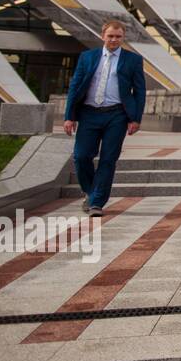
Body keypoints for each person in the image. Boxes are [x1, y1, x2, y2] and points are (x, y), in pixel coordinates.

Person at [63, 19, 145, 216]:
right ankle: (91, 192)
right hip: (89, 113)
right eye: (110, 36)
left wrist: (136, 119)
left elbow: (139, 91)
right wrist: (69, 116)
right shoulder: (87, 57)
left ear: (123, 38)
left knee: (108, 159)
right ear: (102, 36)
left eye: (118, 37)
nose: (114, 40)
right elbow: (75, 86)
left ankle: (97, 203)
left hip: (116, 115)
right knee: (81, 156)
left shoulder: (133, 60)